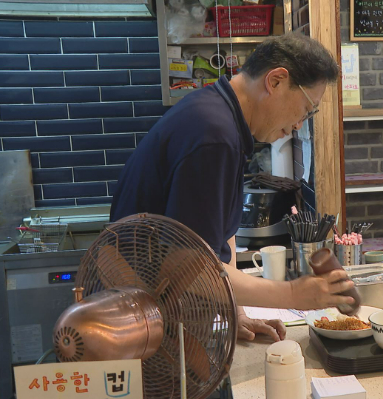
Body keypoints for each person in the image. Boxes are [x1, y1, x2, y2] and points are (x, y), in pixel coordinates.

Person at [110, 33, 354, 342]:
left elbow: (219, 232)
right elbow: (190, 266)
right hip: (142, 322)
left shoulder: (222, 116)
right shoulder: (213, 134)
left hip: (160, 312)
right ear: (276, 81)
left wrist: (235, 311)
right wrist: (293, 293)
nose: (298, 125)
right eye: (307, 109)